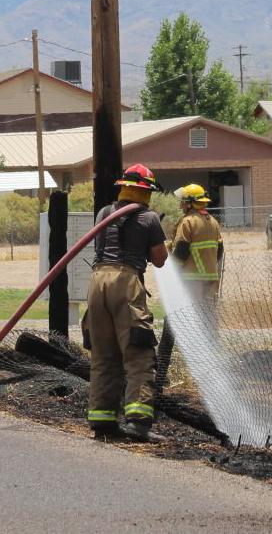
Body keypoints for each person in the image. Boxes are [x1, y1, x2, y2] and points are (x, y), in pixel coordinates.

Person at [83, 164, 169, 443]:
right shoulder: (149, 218)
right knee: (138, 353)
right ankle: (139, 423)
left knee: (104, 354)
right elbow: (159, 259)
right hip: (126, 281)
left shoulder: (104, 213)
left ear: (123, 187)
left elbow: (100, 245)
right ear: (147, 191)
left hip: (97, 281)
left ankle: (102, 420)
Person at [155, 183, 224, 393]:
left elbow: (183, 251)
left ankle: (158, 380)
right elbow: (218, 251)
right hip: (208, 286)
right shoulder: (212, 222)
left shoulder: (187, 222)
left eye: (184, 200)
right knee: (207, 333)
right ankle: (213, 382)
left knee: (170, 332)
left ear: (191, 203)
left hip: (188, 286)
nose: (181, 203)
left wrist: (170, 271)